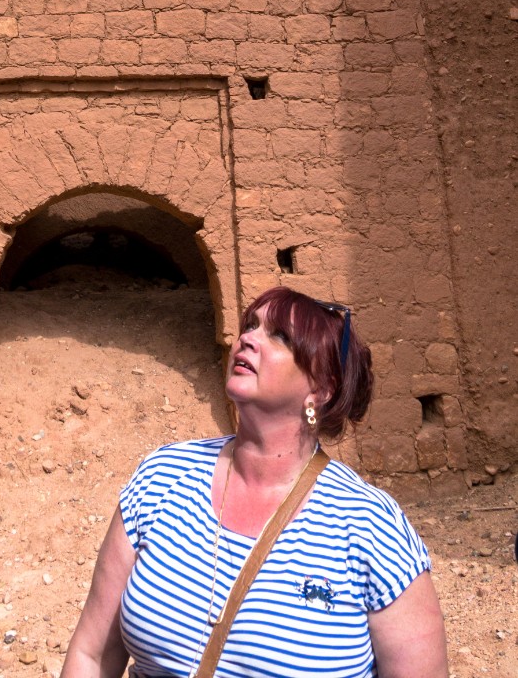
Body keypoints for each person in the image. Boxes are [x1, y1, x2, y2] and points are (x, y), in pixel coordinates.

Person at [61, 286, 448, 678]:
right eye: (250, 325)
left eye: (279, 336)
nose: (247, 339)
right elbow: (91, 656)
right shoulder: (162, 477)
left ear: (321, 388)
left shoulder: (370, 525)